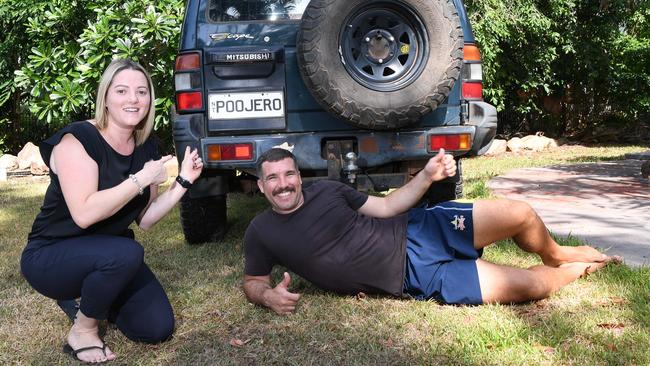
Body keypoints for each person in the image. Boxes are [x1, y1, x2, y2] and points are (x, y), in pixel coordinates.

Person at [243, 148, 621, 314]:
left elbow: (388, 206)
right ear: (261, 187)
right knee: (533, 287)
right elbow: (253, 281)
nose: (283, 184)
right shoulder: (261, 231)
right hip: (419, 277)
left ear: (299, 176)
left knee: (520, 213)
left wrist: (425, 176)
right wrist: (266, 298)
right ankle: (578, 269)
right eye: (272, 178)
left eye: (289, 174)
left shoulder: (327, 189)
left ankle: (556, 253)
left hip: (423, 229)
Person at [20, 59, 204, 363]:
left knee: (156, 328)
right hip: (51, 255)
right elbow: (84, 214)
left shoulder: (147, 147)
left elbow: (145, 219)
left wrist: (183, 181)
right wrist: (141, 178)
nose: (133, 99)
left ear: (150, 99)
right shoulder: (77, 140)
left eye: (141, 92)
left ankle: (90, 298)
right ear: (105, 98)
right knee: (127, 252)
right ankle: (84, 328)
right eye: (122, 90)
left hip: (109, 256)